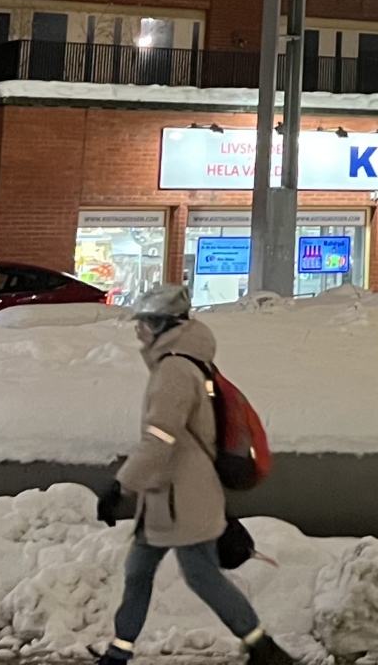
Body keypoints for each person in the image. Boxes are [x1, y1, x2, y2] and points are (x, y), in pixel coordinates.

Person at [94, 283, 290, 665]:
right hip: (168, 494)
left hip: (179, 496)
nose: (137, 331)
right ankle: (118, 653)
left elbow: (160, 438)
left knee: (197, 575)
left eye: (143, 323)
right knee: (141, 572)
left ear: (161, 324)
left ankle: (263, 647)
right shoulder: (185, 362)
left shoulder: (175, 370)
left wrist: (120, 486)